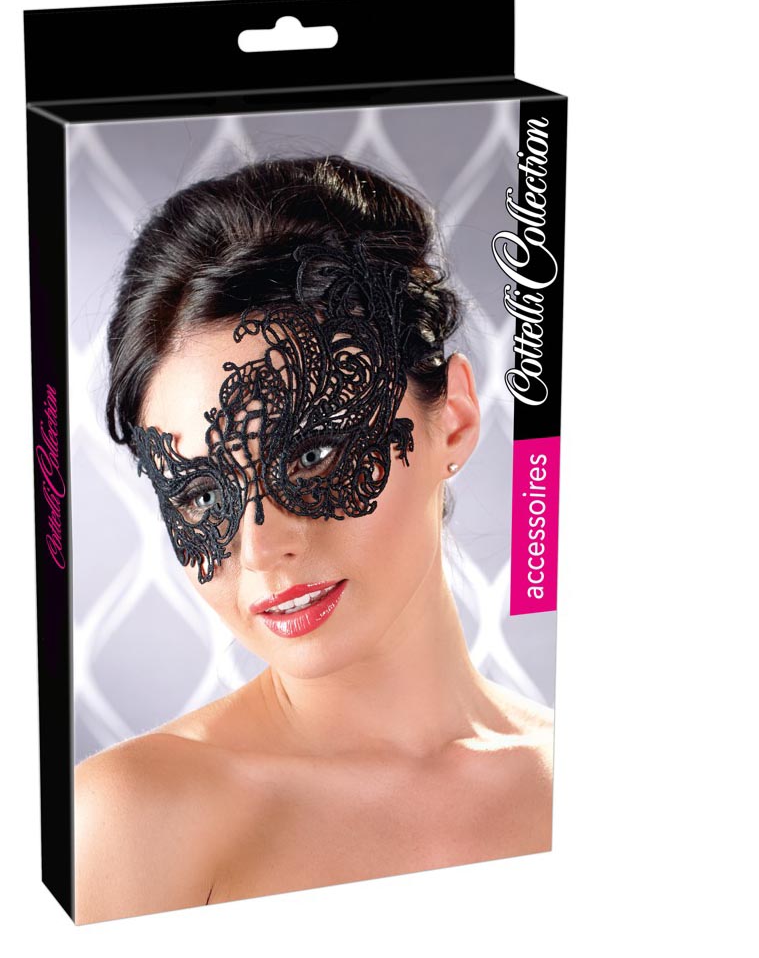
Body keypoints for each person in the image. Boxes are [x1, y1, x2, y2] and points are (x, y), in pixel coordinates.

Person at [74, 155, 553, 924]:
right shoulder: (130, 818)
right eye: (201, 495)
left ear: (456, 420)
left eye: (312, 454)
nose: (261, 548)